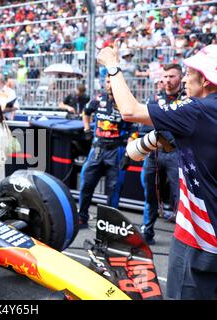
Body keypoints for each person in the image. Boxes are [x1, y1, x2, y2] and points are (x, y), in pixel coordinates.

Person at [97, 42, 217, 299]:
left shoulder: (198, 110)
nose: (185, 79)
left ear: (207, 80)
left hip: (201, 238)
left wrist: (112, 66)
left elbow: (129, 111)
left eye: (190, 73)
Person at [78, 75, 136, 229]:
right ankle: (82, 218)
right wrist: (87, 129)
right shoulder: (98, 99)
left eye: (113, 81)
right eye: (108, 81)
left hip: (116, 151)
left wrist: (127, 154)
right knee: (86, 184)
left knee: (114, 190)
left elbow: (133, 130)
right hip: (97, 149)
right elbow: (85, 111)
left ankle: (109, 225)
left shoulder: (127, 102)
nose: (110, 84)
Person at [139, 64, 188, 245]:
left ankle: (181, 236)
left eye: (172, 76)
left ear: (180, 78)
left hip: (178, 154)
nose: (167, 80)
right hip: (154, 153)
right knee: (150, 194)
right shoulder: (154, 99)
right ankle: (147, 231)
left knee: (179, 196)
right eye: (165, 77)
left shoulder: (187, 99)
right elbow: (144, 125)